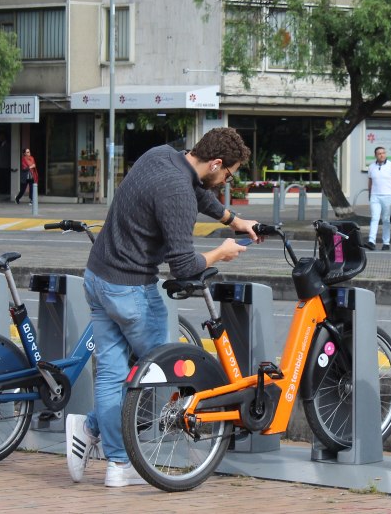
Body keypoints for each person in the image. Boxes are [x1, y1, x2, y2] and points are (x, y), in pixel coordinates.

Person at [65, 127, 259, 488]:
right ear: (216, 163)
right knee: (165, 368)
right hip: (130, 290)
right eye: (228, 175)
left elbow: (199, 192)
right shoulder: (178, 193)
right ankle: (93, 428)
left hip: (97, 277)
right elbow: (183, 266)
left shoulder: (161, 155)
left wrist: (234, 220)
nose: (226, 182)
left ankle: (116, 464)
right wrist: (221, 252)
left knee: (112, 375)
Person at [362, 146, 391, 251]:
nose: (382, 155)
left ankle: (386, 242)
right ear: (375, 155)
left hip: (387, 196)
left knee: (386, 220)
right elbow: (370, 182)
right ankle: (371, 241)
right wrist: (370, 194)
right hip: (375, 196)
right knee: (375, 218)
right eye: (379, 153)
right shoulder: (371, 167)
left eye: (383, 153)